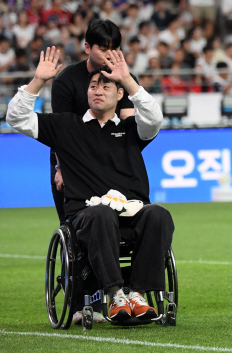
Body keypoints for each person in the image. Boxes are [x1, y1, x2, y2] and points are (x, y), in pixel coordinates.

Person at [7, 47, 174, 322]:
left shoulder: (132, 129)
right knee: (102, 214)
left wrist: (128, 80)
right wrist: (37, 81)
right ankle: (115, 294)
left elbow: (155, 119)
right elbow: (16, 118)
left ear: (120, 94)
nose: (97, 89)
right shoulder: (65, 126)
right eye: (93, 85)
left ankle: (138, 294)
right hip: (86, 215)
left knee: (158, 214)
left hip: (130, 213)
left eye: (106, 85)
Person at [51, 19, 136, 223]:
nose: (110, 54)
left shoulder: (124, 79)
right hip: (72, 161)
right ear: (87, 47)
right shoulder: (65, 82)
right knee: (74, 227)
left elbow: (128, 125)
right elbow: (60, 132)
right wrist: (60, 168)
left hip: (110, 160)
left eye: (115, 48)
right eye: (104, 48)